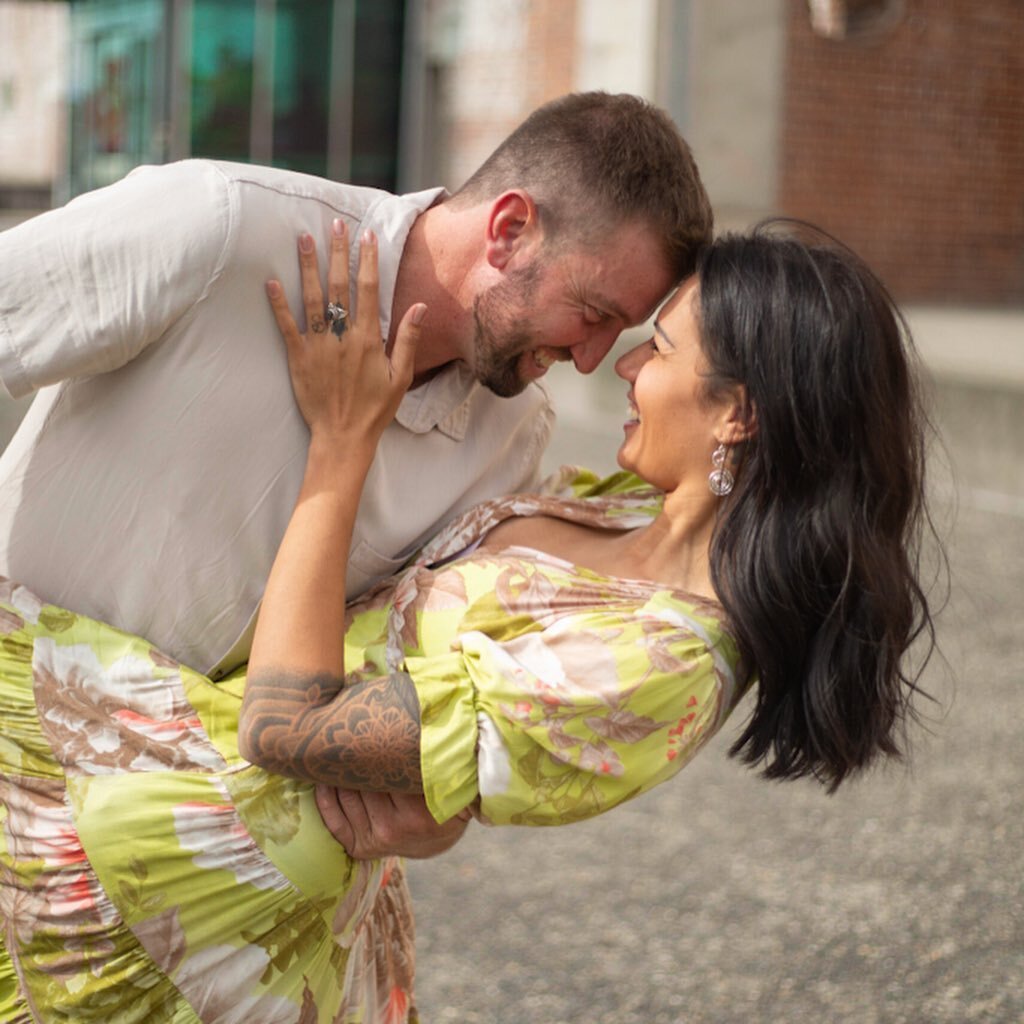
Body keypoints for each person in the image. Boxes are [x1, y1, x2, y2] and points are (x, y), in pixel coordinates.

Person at [0, 222, 942, 1023]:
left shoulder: (662, 665)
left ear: (735, 415)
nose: (624, 362)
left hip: (179, 875)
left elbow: (284, 728)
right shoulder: (625, 509)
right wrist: (439, 793)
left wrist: (342, 444)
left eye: (660, 347)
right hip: (146, 776)